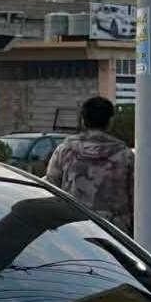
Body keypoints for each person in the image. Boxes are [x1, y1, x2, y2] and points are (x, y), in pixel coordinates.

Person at [45, 95, 135, 233]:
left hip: (73, 229)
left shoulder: (65, 150)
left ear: (83, 120)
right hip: (114, 233)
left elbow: (51, 188)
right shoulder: (125, 155)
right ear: (110, 121)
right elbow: (136, 197)